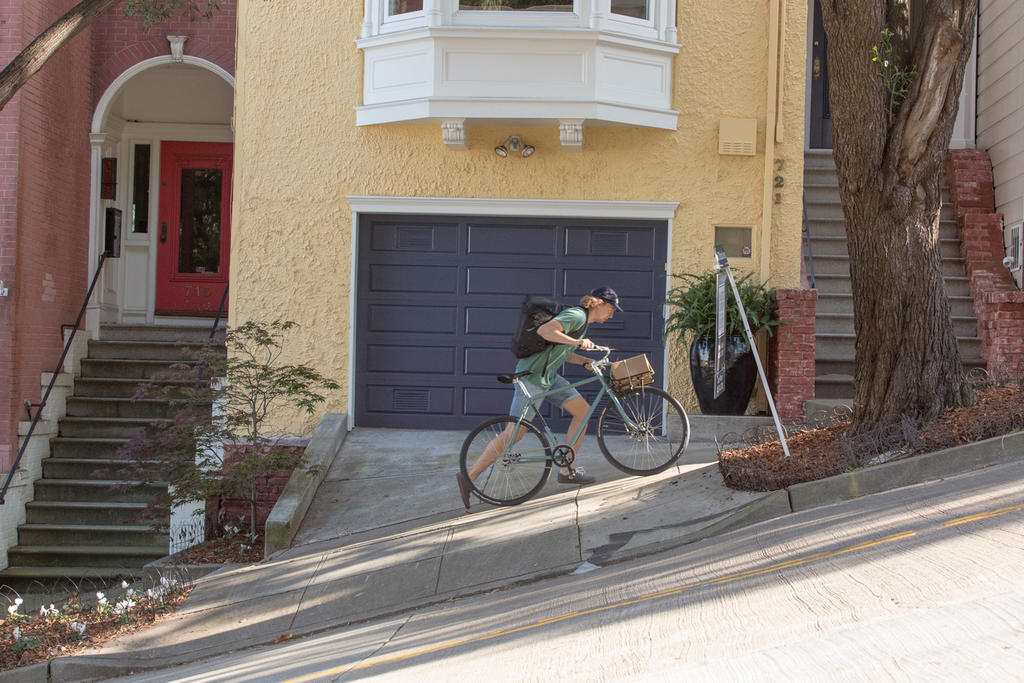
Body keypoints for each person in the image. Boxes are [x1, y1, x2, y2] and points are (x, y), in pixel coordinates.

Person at [456, 287, 622, 511]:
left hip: (549, 377)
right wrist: (577, 342)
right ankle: (469, 477)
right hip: (532, 377)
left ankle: (567, 470)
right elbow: (545, 331)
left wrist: (584, 360)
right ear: (599, 303)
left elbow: (561, 351)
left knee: (583, 412)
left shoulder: (582, 322)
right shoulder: (577, 315)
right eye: (611, 309)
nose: (611, 314)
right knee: (514, 433)